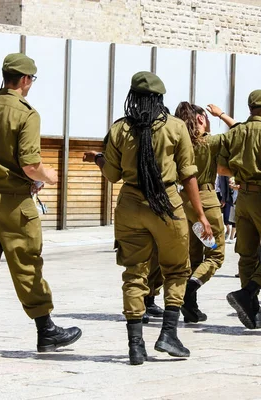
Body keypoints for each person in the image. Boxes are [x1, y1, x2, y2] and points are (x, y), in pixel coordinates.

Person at [0, 53, 82, 360]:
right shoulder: (27, 114)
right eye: (31, 80)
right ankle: (46, 331)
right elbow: (31, 165)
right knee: (27, 266)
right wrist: (51, 177)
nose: (31, 84)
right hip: (14, 204)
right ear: (24, 80)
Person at [83, 71, 212, 365]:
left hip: (130, 203)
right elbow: (188, 174)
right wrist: (201, 215)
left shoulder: (119, 129)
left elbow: (112, 174)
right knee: (177, 269)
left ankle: (135, 345)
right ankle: (168, 334)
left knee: (134, 273)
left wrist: (99, 159)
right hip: (166, 202)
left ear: (133, 96)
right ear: (159, 98)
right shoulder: (176, 128)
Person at [218, 89, 261, 330]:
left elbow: (222, 169)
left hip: (243, 198)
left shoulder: (235, 133)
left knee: (247, 256)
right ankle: (248, 293)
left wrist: (243, 173)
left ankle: (252, 310)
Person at [174, 101, 226, 323]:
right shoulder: (210, 142)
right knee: (215, 253)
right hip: (205, 200)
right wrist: (222, 115)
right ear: (201, 119)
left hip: (183, 201)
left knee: (193, 256)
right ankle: (190, 289)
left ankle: (190, 308)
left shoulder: (179, 145)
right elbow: (243, 131)